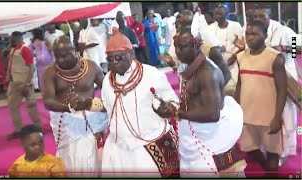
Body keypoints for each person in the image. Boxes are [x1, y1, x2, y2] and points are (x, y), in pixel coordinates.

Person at [101, 28, 180, 178]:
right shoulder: (107, 81)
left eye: (118, 58)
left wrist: (168, 108)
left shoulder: (151, 74)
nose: (114, 63)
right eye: (110, 59)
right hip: (120, 149)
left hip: (151, 144)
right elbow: (108, 109)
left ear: (131, 54)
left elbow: (173, 102)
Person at [174, 25, 246, 177]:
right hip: (194, 135)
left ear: (196, 45)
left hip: (208, 138)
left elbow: (213, 114)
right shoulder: (190, 66)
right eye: (176, 47)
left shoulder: (207, 73)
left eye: (182, 47)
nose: (177, 52)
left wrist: (177, 113)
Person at [42, 36, 108, 177]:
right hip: (66, 121)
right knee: (72, 159)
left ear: (75, 51)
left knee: (93, 155)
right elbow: (48, 101)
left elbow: (109, 90)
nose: (60, 60)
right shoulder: (50, 72)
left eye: (65, 56)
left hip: (92, 120)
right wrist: (69, 108)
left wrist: (97, 106)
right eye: (57, 56)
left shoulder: (91, 67)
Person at [235, 20, 287, 175]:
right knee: (250, 149)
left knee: (272, 154)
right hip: (247, 116)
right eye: (247, 34)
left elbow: (282, 90)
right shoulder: (241, 57)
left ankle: (272, 171)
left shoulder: (275, 57)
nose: (250, 38)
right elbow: (240, 84)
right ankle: (267, 169)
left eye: (254, 34)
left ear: (265, 35)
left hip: (268, 117)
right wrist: (236, 111)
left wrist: (277, 117)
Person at [254, 7, 300, 166]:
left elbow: (297, 48)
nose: (258, 18)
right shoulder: (254, 30)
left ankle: (287, 149)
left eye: (262, 15)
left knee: (286, 114)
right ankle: (268, 147)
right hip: (264, 77)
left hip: (286, 75)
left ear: (270, 16)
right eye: (256, 15)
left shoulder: (284, 31)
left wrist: (286, 49)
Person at [6, 31, 42, 141]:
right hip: (14, 83)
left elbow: (32, 68)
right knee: (13, 107)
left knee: (31, 107)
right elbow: (11, 65)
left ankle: (39, 128)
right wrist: (8, 75)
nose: (10, 40)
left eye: (12, 38)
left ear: (16, 38)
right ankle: (19, 130)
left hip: (24, 83)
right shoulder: (13, 50)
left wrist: (27, 83)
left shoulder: (24, 49)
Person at [207, 5, 244, 95]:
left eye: (220, 14)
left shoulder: (236, 26)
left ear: (226, 14)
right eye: (216, 14)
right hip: (216, 63)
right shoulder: (210, 28)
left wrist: (234, 57)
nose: (217, 16)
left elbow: (243, 46)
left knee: (233, 89)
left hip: (233, 62)